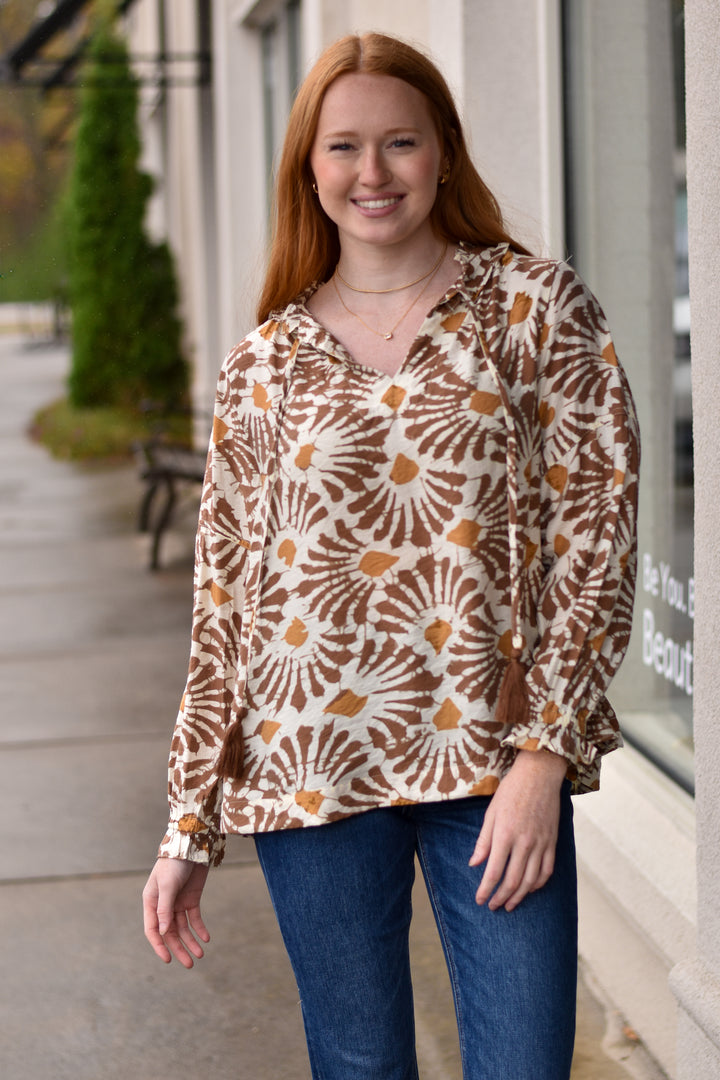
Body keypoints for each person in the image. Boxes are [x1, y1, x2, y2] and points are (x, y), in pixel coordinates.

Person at [142, 30, 640, 1080]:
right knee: (360, 1065)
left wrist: (544, 758)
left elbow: (596, 539)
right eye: (344, 146)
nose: (372, 172)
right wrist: (189, 824)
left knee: (524, 1063)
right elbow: (225, 605)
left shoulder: (533, 312)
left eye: (400, 141)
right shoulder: (263, 364)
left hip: (492, 762)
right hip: (309, 764)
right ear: (309, 169)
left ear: (444, 152)